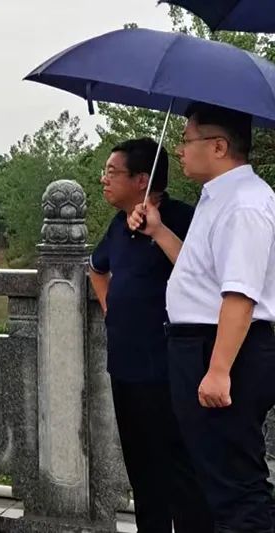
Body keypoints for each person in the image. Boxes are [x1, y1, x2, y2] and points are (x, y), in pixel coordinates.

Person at [130, 102, 275, 532]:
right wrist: (158, 230)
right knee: (208, 476)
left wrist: (218, 370)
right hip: (199, 345)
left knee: (235, 484)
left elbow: (240, 295)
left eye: (186, 139)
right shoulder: (217, 197)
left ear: (218, 146)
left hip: (223, 349)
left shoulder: (245, 204)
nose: (178, 149)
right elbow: (200, 274)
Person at [89, 138, 213, 532]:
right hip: (126, 366)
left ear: (141, 179)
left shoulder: (183, 218)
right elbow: (96, 269)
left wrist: (158, 230)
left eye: (112, 172)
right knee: (141, 469)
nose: (104, 179)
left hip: (172, 367)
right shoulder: (119, 223)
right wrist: (112, 311)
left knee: (183, 471)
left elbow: (203, 276)